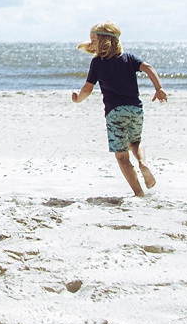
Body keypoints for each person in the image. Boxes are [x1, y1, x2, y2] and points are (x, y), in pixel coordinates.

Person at [68, 21, 166, 197]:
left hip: (115, 113)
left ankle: (139, 193)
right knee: (135, 142)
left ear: (105, 41)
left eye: (93, 40)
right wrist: (158, 88)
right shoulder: (129, 58)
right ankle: (143, 163)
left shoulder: (97, 63)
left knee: (122, 156)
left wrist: (77, 99)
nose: (91, 44)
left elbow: (87, 89)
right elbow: (148, 68)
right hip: (135, 109)